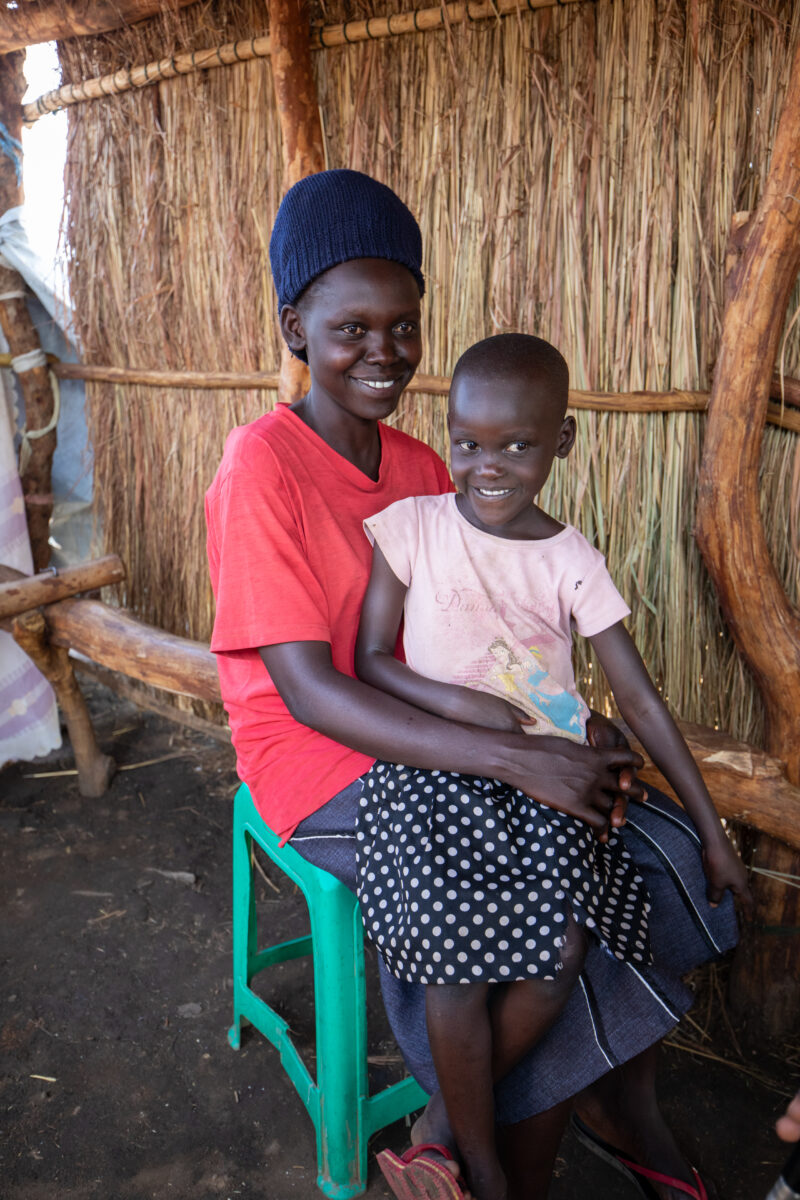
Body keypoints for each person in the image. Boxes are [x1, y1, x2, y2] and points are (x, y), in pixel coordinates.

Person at [205, 169, 746, 1200]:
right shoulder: (258, 468)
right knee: (515, 902)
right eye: (351, 327)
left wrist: (561, 725)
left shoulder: (426, 464)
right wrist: (512, 757)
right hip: (317, 756)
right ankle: (490, 1154)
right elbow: (314, 692)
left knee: (644, 840)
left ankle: (557, 1107)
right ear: (294, 325)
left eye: (402, 327)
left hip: (437, 717)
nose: (382, 353)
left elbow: (474, 642)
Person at [353, 333, 751, 1200]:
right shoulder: (415, 527)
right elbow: (371, 660)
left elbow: (640, 703)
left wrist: (715, 837)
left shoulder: (570, 562)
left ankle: (446, 1128)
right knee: (457, 964)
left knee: (562, 950)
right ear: (447, 432)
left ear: (561, 442)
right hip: (428, 774)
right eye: (468, 443)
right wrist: (464, 706)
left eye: (516, 446)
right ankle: (487, 1171)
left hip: (540, 785)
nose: (486, 467)